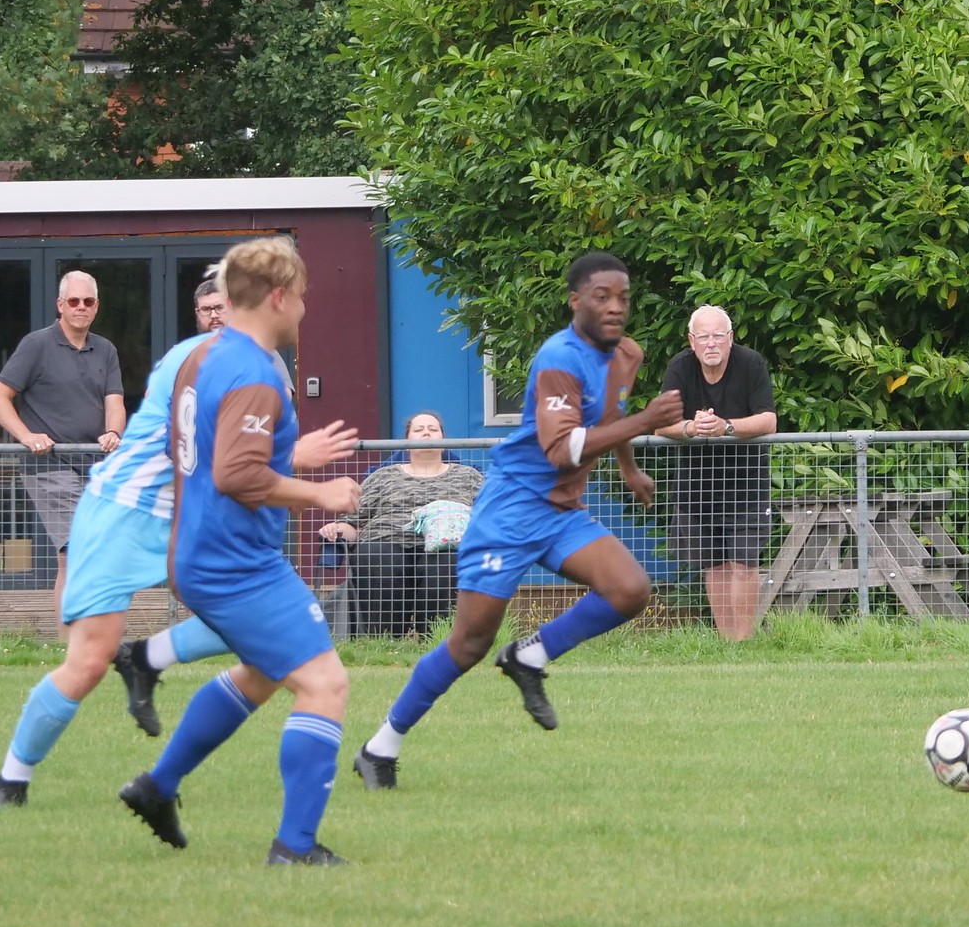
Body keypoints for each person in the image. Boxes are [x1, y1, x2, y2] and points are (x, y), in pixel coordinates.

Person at [0, 272, 356, 807]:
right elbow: (227, 460)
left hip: (191, 511)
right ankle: (10, 780)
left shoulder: (256, 361)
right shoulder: (213, 360)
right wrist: (309, 475)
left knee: (266, 620)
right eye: (212, 307)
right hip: (124, 513)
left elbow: (238, 457)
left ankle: (149, 658)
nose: (220, 315)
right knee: (89, 661)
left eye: (224, 305)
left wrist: (292, 457)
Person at [351, 251, 684, 791]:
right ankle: (379, 748)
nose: (615, 307)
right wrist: (650, 422)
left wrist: (629, 466)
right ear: (575, 301)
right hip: (511, 508)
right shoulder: (558, 357)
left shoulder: (627, 353)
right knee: (467, 644)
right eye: (602, 297)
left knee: (629, 589)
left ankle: (529, 656)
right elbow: (563, 448)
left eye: (623, 296)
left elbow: (612, 414)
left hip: (561, 510)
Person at [117, 236, 363, 866]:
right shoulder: (255, 372)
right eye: (302, 297)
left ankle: (157, 787)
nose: (305, 310)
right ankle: (295, 848)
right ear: (278, 296)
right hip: (237, 563)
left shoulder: (204, 358)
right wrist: (321, 493)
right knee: (325, 683)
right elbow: (236, 474)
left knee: (263, 673)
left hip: (202, 549)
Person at [0, 270, 126, 607]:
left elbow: (115, 403)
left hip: (95, 466)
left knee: (92, 553)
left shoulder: (105, 349)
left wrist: (114, 431)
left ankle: (82, 639)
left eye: (88, 301)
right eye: (73, 301)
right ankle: (73, 642)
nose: (81, 307)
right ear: (60, 305)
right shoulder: (36, 344)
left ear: (96, 306)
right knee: (75, 551)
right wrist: (27, 436)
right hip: (49, 466)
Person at [658, 306, 778, 639]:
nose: (711, 344)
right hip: (696, 486)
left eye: (717, 337)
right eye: (703, 337)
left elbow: (768, 420)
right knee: (714, 567)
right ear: (691, 341)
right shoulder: (679, 368)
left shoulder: (751, 363)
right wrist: (690, 427)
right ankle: (728, 644)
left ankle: (745, 641)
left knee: (743, 565)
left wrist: (726, 427)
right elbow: (659, 423)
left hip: (746, 484)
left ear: (730, 339)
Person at [317, 410, 483, 636]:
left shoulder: (469, 476)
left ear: (444, 441)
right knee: (377, 555)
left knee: (446, 562)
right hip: (385, 540)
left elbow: (488, 516)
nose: (426, 433)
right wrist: (337, 530)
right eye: (419, 430)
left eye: (433, 429)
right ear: (407, 443)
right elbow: (353, 522)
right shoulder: (383, 476)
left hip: (445, 545)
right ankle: (383, 641)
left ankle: (437, 640)